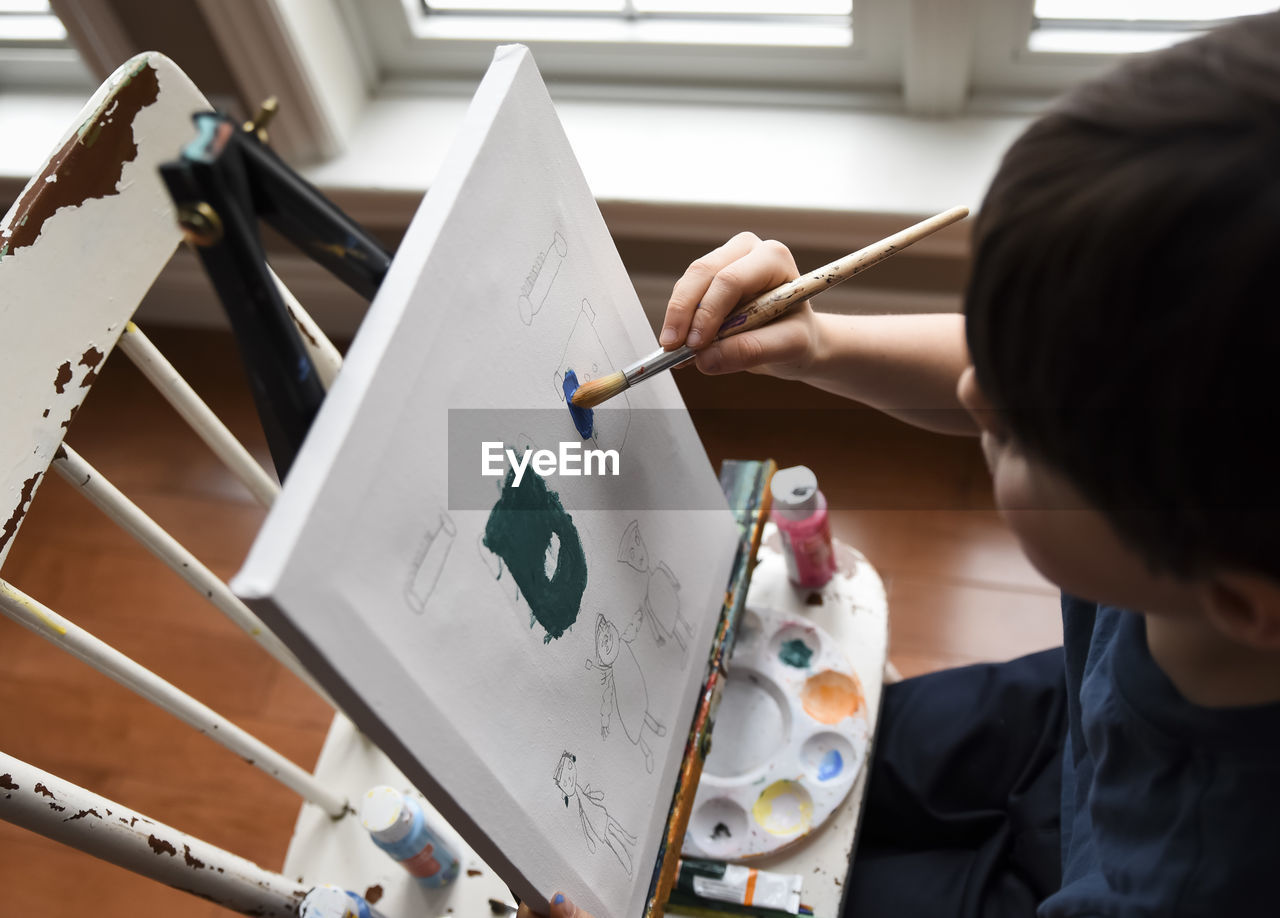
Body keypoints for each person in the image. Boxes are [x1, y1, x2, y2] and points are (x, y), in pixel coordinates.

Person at [519, 10, 1280, 917]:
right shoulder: (1206, 492)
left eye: (1019, 431)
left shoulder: (1190, 888)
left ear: (1237, 598)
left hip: (1103, 862)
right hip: (1064, 722)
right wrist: (818, 341)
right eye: (1000, 358)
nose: (973, 395)